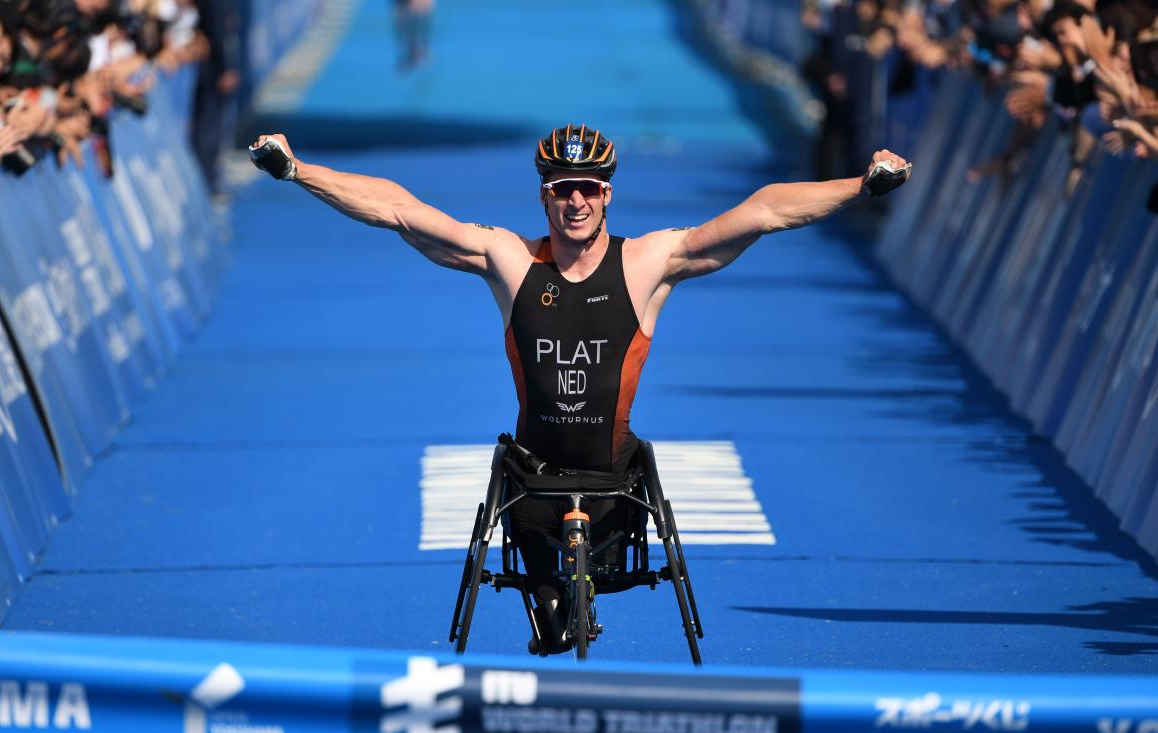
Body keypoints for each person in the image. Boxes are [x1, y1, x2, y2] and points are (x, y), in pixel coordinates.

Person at [250, 123, 911, 652]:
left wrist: (862, 184)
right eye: (563, 189)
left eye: (589, 189)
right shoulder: (509, 259)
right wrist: (297, 169)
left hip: (612, 475)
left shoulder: (649, 261)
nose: (575, 202)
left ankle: (565, 589)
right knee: (521, 472)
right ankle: (546, 599)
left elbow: (763, 210)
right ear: (544, 194)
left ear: (608, 194)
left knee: (612, 463)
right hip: (532, 473)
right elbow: (399, 210)